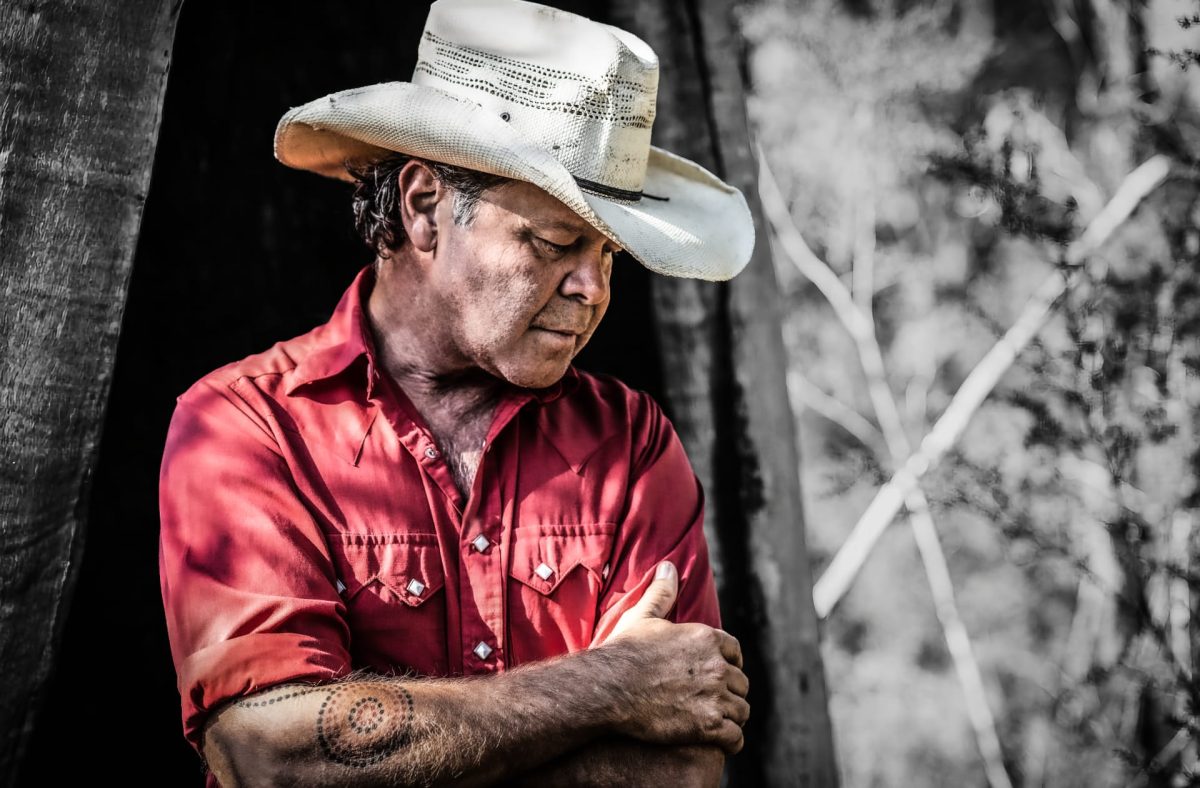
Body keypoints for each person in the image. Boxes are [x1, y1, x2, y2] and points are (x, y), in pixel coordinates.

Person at [158, 0, 756, 784]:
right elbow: (273, 760)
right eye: (553, 243)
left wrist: (400, 755)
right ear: (425, 207)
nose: (592, 289)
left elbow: (678, 766)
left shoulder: (631, 447)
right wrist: (610, 686)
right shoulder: (245, 428)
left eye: (610, 255)